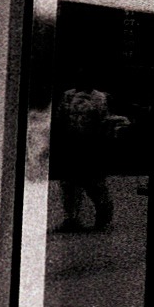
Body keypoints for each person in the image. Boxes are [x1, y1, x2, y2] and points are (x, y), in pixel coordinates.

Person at [53, 85, 117, 232]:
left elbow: (104, 121)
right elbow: (60, 118)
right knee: (69, 184)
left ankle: (104, 220)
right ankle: (71, 218)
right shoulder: (67, 95)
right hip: (71, 144)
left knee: (95, 184)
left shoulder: (101, 97)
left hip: (91, 145)